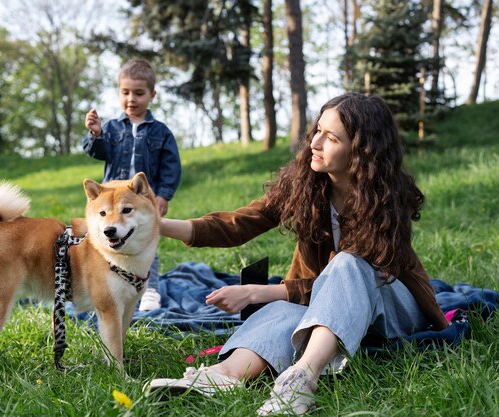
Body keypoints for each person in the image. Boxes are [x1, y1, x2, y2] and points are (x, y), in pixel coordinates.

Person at [146, 92, 448, 415]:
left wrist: (257, 291)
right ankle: (224, 375)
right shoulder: (307, 184)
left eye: (331, 137)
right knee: (280, 311)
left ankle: (302, 380)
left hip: (393, 307)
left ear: (361, 151)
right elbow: (239, 224)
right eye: (318, 130)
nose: (315, 143)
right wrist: (156, 224)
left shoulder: (385, 199)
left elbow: (348, 279)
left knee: (347, 264)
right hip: (328, 307)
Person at [82, 59, 181, 311]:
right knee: (107, 245)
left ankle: (150, 288)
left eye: (139, 93)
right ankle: (109, 284)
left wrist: (164, 195)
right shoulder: (112, 128)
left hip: (141, 202)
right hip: (112, 201)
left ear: (152, 95)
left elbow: (171, 166)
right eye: (125, 92)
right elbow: (97, 152)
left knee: (147, 244)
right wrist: (95, 134)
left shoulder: (160, 132)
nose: (131, 99)